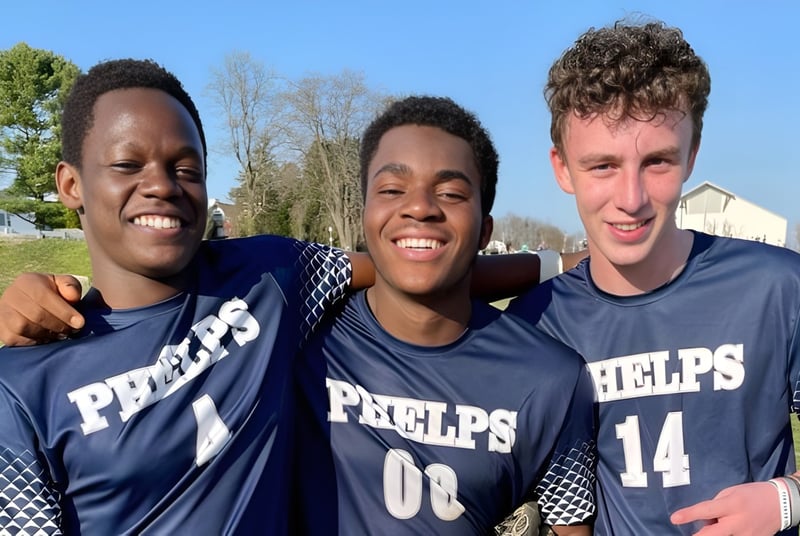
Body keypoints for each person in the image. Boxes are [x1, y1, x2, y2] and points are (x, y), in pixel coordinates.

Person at [0, 58, 363, 533]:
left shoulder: (271, 277)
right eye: (128, 164)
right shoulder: (23, 380)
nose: (162, 186)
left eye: (186, 168)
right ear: (71, 185)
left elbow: (418, 271)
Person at [507, 19, 800, 534]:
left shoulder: (778, 288)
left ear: (692, 154)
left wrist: (786, 501)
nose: (631, 198)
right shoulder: (536, 322)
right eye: (602, 166)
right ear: (561, 168)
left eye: (657, 161)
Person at [293, 95, 596, 534]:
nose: (420, 208)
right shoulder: (296, 331)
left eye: (451, 193)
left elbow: (570, 527)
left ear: (484, 230)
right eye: (392, 190)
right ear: (364, 214)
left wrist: (567, 262)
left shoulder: (552, 379)